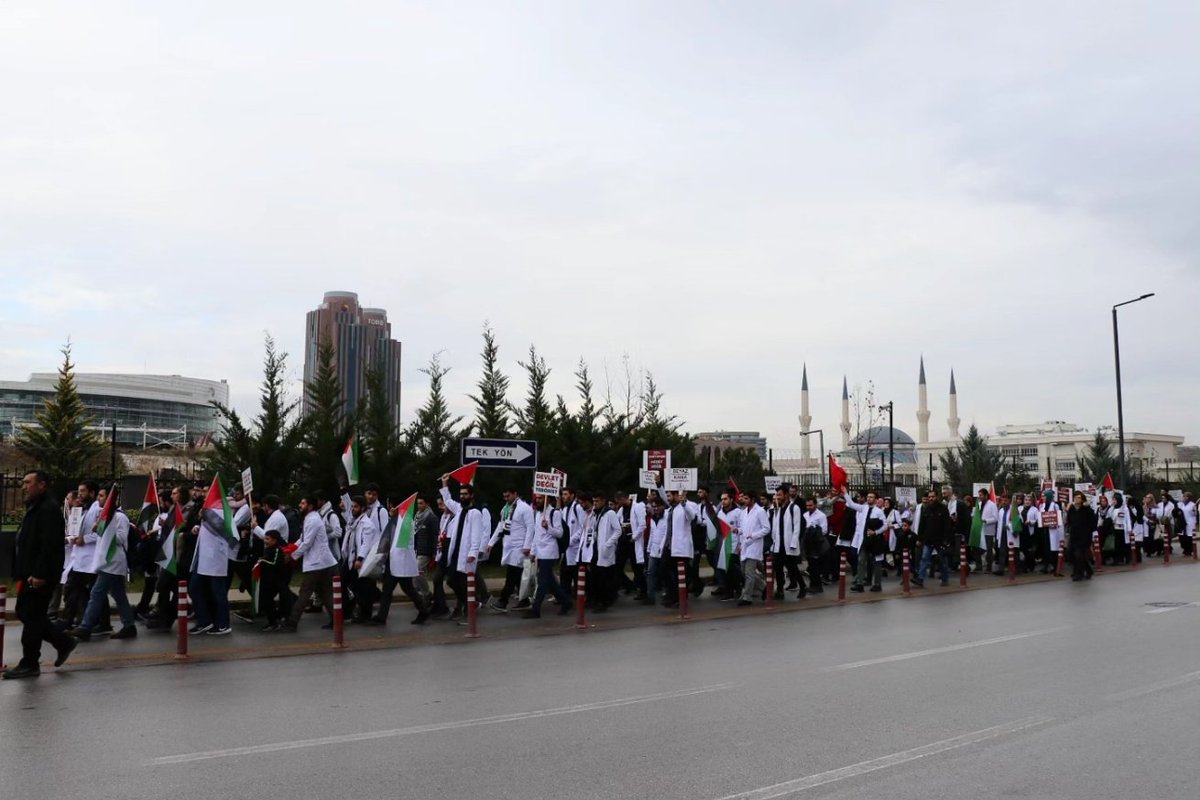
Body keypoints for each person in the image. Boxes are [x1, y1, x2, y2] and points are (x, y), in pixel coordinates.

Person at [4, 471, 76, 679]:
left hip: (39, 576)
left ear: (42, 485)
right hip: (29, 573)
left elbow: (49, 546)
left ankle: (30, 663)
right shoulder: (36, 507)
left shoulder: (48, 509)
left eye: (28, 483)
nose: (24, 487)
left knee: (32, 616)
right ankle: (63, 642)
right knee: (26, 613)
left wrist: (40, 574)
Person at [71, 486, 138, 642]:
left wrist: (103, 527)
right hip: (105, 561)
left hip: (113, 561)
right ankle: (129, 625)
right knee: (119, 595)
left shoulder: (120, 517)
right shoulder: (104, 515)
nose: (98, 499)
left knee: (96, 593)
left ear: (110, 499)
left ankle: (85, 627)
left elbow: (121, 539)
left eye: (102, 496)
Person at [283, 491, 338, 632]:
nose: (300, 506)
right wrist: (291, 549)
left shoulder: (313, 520)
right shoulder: (309, 518)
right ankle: (337, 620)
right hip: (323, 563)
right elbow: (302, 539)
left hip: (318, 564)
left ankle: (292, 623)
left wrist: (292, 556)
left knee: (304, 593)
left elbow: (307, 543)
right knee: (325, 593)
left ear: (311, 506)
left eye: (303, 503)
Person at [373, 499, 431, 626]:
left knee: (408, 589)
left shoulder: (406, 519)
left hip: (401, 562)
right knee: (388, 589)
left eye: (391, 506)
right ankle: (381, 617)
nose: (389, 509)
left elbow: (403, 542)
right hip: (394, 561)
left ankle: (424, 610)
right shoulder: (397, 518)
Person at [438, 474, 485, 623]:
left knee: (465, 583)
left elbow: (477, 535)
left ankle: (469, 609)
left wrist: (473, 553)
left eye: (465, 494)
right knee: (451, 581)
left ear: (471, 496)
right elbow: (447, 500)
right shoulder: (459, 509)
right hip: (455, 552)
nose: (462, 497)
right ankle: (471, 603)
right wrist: (445, 484)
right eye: (461, 494)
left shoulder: (475, 513)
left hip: (466, 553)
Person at [486, 487, 534, 611]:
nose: (506, 499)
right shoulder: (505, 509)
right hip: (509, 546)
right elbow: (500, 527)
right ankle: (525, 600)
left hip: (520, 547)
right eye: (505, 496)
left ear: (515, 494)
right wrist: (491, 543)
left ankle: (503, 601)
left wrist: (527, 546)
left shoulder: (525, 508)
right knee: (517, 576)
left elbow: (530, 527)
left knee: (511, 575)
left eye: (508, 496)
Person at [523, 495, 570, 618]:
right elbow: (536, 535)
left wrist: (547, 527)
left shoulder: (555, 513)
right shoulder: (538, 514)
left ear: (547, 499)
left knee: (543, 581)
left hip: (549, 552)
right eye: (537, 498)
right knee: (549, 581)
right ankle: (565, 601)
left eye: (540, 498)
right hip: (540, 551)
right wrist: (533, 552)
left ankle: (536, 609)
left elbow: (560, 533)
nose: (537, 500)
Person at [346, 495, 384, 622]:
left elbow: (365, 544)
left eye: (355, 507)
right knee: (358, 587)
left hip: (362, 561)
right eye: (352, 506)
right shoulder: (354, 521)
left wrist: (360, 559)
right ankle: (357, 610)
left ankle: (365, 614)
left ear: (362, 508)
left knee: (364, 588)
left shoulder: (367, 524)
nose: (352, 509)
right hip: (352, 559)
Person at [845, 489, 885, 593]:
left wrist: (876, 532)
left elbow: (885, 525)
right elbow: (851, 504)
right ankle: (860, 583)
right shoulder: (863, 508)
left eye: (871, 497)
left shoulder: (879, 511)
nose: (869, 499)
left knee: (877, 563)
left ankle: (877, 584)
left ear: (876, 500)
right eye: (868, 497)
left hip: (875, 540)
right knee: (861, 561)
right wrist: (845, 493)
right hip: (864, 540)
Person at [913, 489, 952, 588]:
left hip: (940, 540)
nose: (930, 499)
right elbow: (922, 525)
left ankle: (945, 579)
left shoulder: (943, 509)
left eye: (933, 497)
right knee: (924, 559)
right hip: (928, 540)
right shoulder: (926, 509)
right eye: (929, 497)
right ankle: (920, 579)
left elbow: (947, 526)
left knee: (942, 560)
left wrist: (946, 540)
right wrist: (919, 539)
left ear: (937, 497)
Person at [735, 490, 769, 606]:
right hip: (745, 545)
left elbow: (766, 528)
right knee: (744, 572)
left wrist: (753, 535)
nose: (744, 500)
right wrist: (737, 531)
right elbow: (743, 528)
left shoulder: (760, 511)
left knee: (749, 573)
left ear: (753, 499)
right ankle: (764, 586)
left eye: (746, 498)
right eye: (743, 498)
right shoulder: (743, 512)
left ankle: (747, 597)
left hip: (754, 545)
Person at [255, 529, 291, 631]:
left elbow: (274, 563)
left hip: (276, 582)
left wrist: (262, 561)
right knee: (266, 602)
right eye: (265, 538)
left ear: (274, 540)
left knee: (270, 601)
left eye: (267, 539)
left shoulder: (277, 550)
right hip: (268, 581)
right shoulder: (267, 549)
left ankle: (274, 621)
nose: (265, 541)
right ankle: (274, 620)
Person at [1066, 491, 1098, 581]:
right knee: (1075, 555)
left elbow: (1092, 521)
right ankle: (1088, 570)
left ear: (1082, 499)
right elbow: (1069, 521)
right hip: (1074, 535)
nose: (1077, 499)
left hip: (1084, 535)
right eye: (1075, 497)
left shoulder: (1086, 509)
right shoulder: (1072, 508)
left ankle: (1078, 574)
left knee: (1079, 555)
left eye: (1079, 498)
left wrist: (1091, 532)